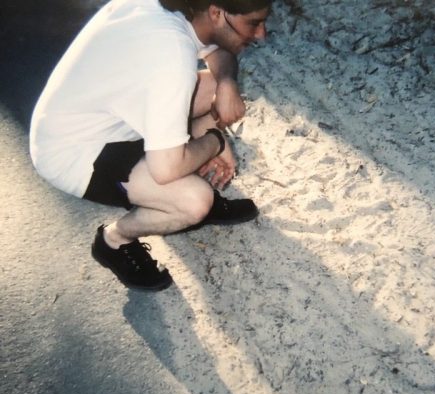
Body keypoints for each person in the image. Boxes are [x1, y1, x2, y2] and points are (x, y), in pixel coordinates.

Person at [29, 0, 272, 291]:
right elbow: (166, 169)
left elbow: (219, 55)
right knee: (193, 202)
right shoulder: (171, 58)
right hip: (76, 151)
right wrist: (216, 140)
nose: (261, 34)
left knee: (212, 89)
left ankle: (191, 170)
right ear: (217, 13)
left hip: (104, 115)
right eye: (253, 23)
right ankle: (114, 242)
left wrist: (226, 84)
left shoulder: (177, 9)